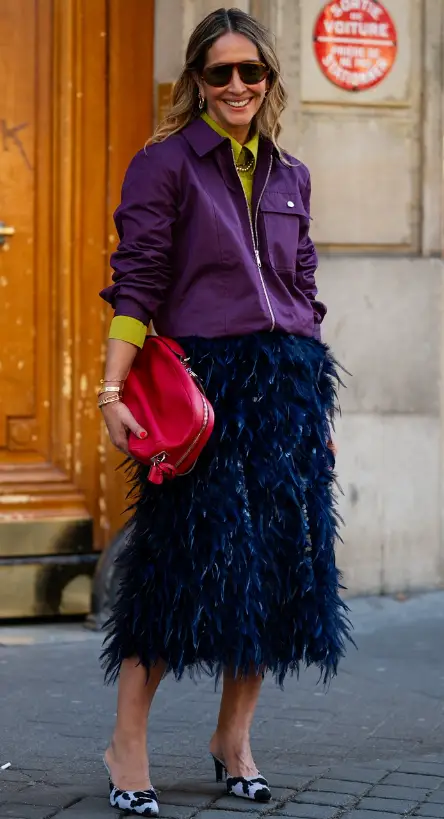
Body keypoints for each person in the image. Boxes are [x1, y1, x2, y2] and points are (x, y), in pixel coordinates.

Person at [98, 7, 351, 816]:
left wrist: (317, 408)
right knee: (173, 570)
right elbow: (137, 280)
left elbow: (304, 293)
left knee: (276, 571)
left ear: (269, 79)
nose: (237, 85)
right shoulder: (165, 164)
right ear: (197, 82)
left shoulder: (291, 174)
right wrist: (111, 390)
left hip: (286, 389)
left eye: (251, 71)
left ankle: (233, 738)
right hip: (201, 394)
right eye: (220, 72)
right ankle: (126, 745)